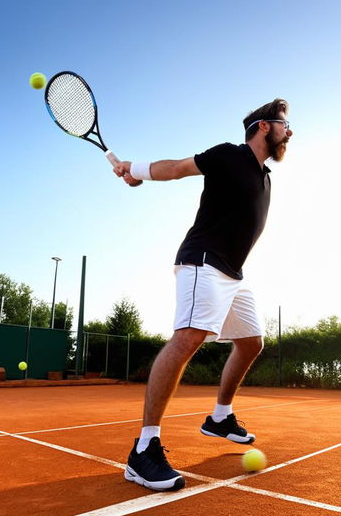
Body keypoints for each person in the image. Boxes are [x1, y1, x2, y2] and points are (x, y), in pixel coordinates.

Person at [112, 98, 292, 491]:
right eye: (284, 125)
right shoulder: (229, 155)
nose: (289, 131)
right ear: (263, 127)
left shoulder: (266, 177)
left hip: (234, 273)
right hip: (203, 262)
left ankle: (219, 418)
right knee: (188, 339)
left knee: (251, 343)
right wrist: (135, 169)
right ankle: (143, 450)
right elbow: (177, 168)